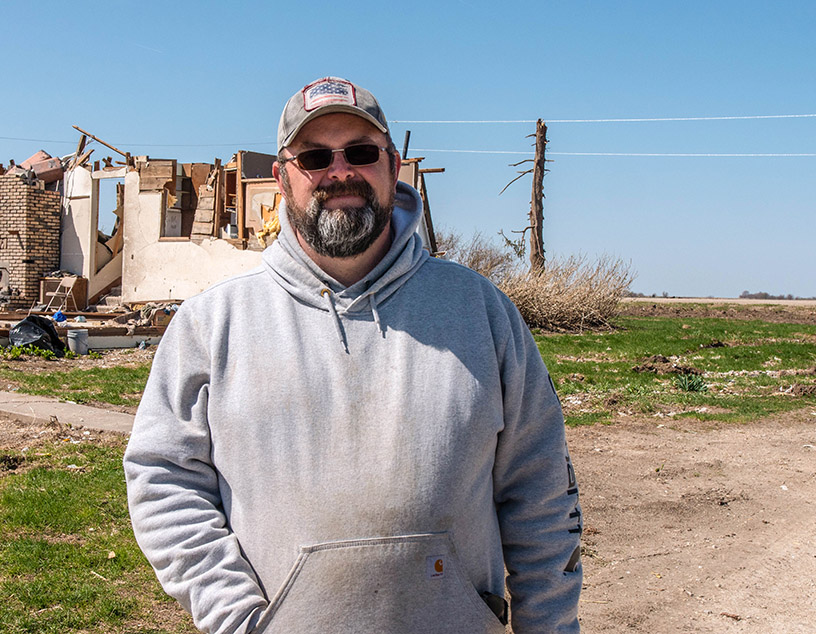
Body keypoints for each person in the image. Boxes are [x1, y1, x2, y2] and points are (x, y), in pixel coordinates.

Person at [124, 76, 582, 634]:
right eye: (315, 156)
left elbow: (541, 493)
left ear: (392, 165)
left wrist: (551, 626)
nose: (340, 171)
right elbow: (163, 477)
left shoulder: (480, 311)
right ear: (281, 177)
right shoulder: (212, 324)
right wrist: (237, 617)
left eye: (361, 153)